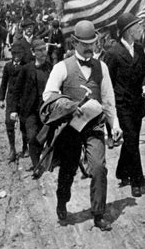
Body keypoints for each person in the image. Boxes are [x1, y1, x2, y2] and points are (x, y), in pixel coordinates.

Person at [43, 20, 120, 231]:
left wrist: (114, 125)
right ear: (74, 43)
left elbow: (108, 99)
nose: (89, 47)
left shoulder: (101, 67)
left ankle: (98, 214)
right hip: (71, 127)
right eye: (84, 43)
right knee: (68, 169)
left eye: (93, 43)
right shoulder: (62, 67)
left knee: (98, 168)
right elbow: (48, 94)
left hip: (94, 126)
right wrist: (67, 104)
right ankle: (62, 200)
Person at [105, 13, 145, 197]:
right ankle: (137, 180)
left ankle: (122, 171)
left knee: (132, 140)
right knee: (132, 139)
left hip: (137, 104)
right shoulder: (113, 53)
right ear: (127, 31)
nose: (140, 29)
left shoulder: (139, 49)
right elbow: (106, 82)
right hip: (122, 105)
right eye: (136, 27)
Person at [10, 39, 52, 170]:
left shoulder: (50, 68)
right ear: (33, 52)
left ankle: (40, 160)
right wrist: (13, 109)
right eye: (39, 50)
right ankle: (36, 166)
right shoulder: (26, 69)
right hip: (29, 110)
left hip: (46, 110)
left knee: (43, 137)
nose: (43, 53)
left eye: (44, 49)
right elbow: (16, 91)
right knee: (32, 136)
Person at [0, 44, 28, 161]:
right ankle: (12, 148)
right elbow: (3, 83)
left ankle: (25, 147)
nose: (17, 57)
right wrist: (1, 99)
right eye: (15, 54)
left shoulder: (26, 67)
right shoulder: (8, 67)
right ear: (12, 55)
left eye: (19, 54)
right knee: (9, 123)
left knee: (24, 124)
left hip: (23, 99)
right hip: (11, 99)